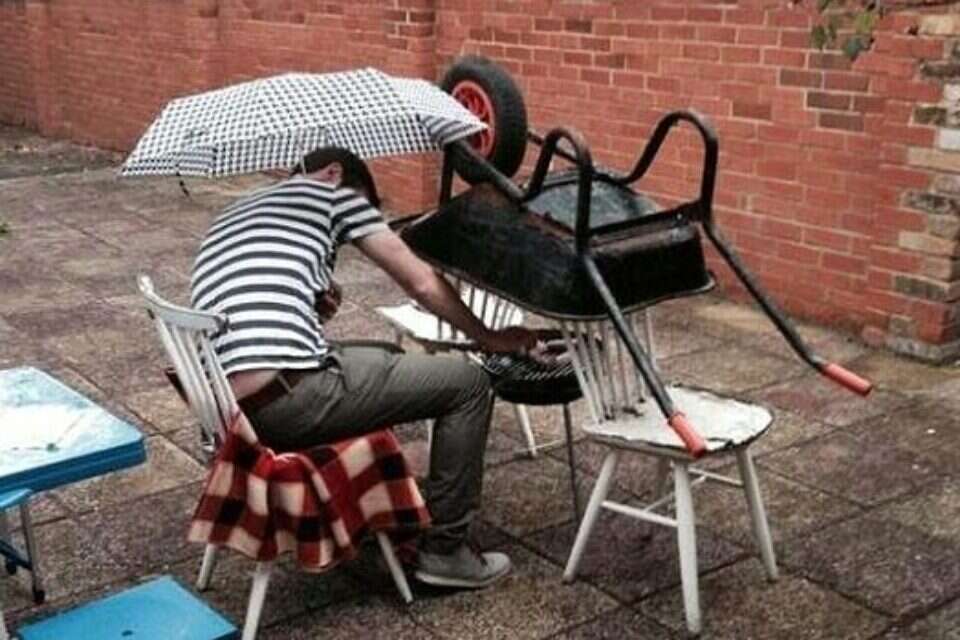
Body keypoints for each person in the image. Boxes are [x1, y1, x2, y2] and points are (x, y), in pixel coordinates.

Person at [190, 146, 537, 589]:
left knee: (385, 353)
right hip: (288, 405)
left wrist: (313, 305)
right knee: (469, 384)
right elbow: (420, 281)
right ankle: (446, 552)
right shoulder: (333, 194)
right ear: (334, 173)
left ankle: (380, 494)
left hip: (231, 414)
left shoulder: (238, 209)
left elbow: (261, 302)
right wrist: (488, 336)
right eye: (366, 208)